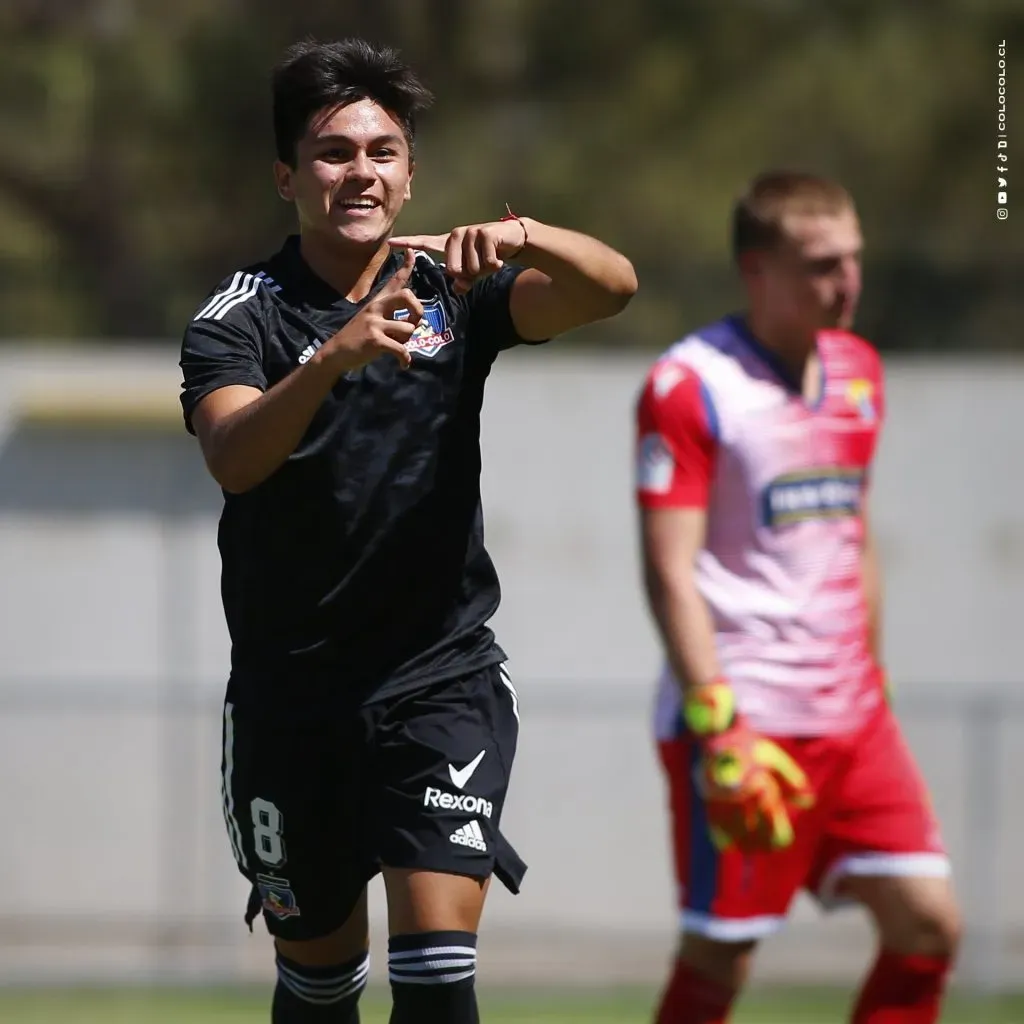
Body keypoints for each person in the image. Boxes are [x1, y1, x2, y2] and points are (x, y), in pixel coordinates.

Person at [179, 37, 636, 1024]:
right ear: (286, 176)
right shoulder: (238, 318)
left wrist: (530, 236)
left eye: (382, 151)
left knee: (434, 974)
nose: (361, 172)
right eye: (334, 152)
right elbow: (233, 458)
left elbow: (612, 288)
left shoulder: (452, 290)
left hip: (439, 679)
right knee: (319, 985)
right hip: (289, 695)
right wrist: (329, 361)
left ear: (410, 171)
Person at [635, 170, 960, 1024]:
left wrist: (874, 678)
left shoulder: (859, 371)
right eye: (820, 264)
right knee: (722, 952)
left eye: (853, 260)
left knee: (928, 926)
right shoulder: (690, 385)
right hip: (746, 716)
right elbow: (669, 568)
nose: (847, 282)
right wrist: (717, 722)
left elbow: (853, 534)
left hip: (852, 718)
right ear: (757, 271)